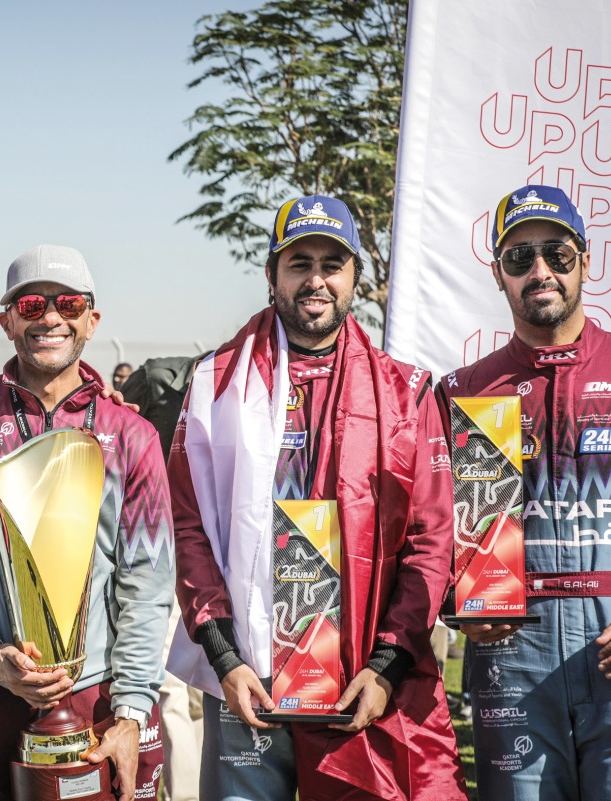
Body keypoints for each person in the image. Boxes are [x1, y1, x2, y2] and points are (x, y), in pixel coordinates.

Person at [167, 195, 467, 800]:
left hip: (362, 678)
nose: (316, 279)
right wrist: (225, 659)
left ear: (356, 274)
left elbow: (431, 542)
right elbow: (187, 526)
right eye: (299, 262)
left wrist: (386, 668)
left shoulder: (406, 394)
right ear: (272, 274)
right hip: (249, 677)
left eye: (333, 263)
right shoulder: (214, 382)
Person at [0, 244, 174, 801]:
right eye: (30, 304)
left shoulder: (133, 435)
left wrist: (130, 709)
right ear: (7, 321)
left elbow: (147, 580)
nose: (50, 316)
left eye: (68, 303)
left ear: (91, 320)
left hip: (93, 690)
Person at [436, 184, 611, 801]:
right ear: (499, 273)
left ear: (586, 260)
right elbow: (432, 528)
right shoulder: (464, 391)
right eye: (519, 257)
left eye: (557, 255)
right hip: (511, 651)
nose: (540, 271)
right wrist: (459, 599)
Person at [120, 355, 207, 801]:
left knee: (200, 696)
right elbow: (122, 426)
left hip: (216, 559)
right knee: (172, 690)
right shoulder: (158, 378)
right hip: (163, 551)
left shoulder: (243, 385)